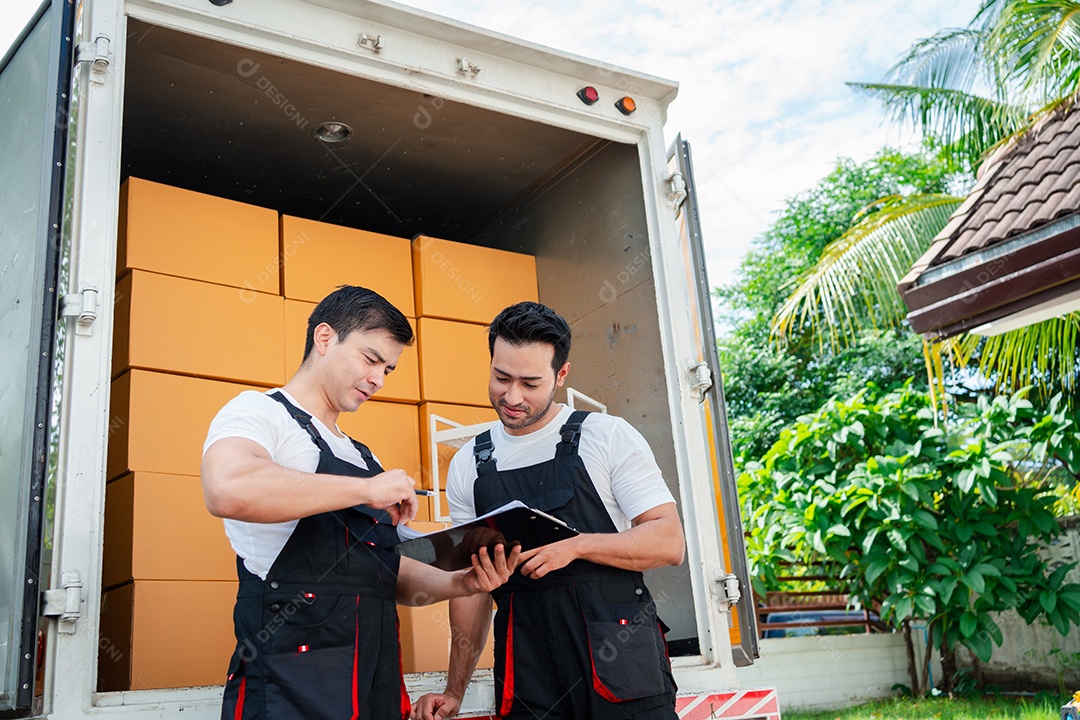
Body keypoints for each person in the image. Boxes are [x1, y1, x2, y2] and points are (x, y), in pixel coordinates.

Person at [201, 286, 520, 720]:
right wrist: (366, 491)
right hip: (291, 690)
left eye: (388, 369)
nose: (379, 380)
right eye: (371, 359)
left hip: (375, 685)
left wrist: (463, 583)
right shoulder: (260, 413)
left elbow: (387, 574)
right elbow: (227, 487)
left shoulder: (363, 457)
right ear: (325, 338)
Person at [412, 301, 685, 720]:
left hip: (617, 659)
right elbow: (473, 588)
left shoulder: (606, 436)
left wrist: (575, 546)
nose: (512, 397)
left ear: (561, 375)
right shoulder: (470, 463)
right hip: (526, 666)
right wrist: (454, 689)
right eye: (501, 378)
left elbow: (668, 541)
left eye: (530, 383)